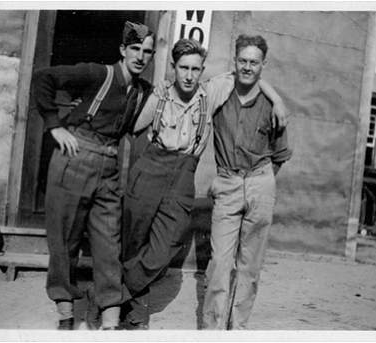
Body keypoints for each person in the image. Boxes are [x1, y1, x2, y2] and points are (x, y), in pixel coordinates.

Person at [120, 38, 287, 330]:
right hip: (151, 168)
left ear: (202, 71)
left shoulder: (210, 93)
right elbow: (133, 127)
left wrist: (278, 99)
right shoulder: (160, 95)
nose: (188, 74)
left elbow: (248, 75)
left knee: (168, 244)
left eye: (195, 69)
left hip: (187, 172)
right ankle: (136, 313)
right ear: (173, 68)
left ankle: (112, 291)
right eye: (183, 67)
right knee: (135, 239)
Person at [31, 21, 155, 330]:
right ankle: (65, 315)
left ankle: (110, 322)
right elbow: (43, 78)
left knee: (108, 245)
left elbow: (130, 129)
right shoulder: (98, 74)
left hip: (110, 168)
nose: (141, 56)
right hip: (75, 160)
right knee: (64, 242)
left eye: (148, 51)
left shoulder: (142, 92)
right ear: (123, 50)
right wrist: (54, 125)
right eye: (135, 49)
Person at [203, 34, 292, 330]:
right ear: (234, 61)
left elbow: (280, 154)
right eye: (242, 60)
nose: (247, 67)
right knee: (219, 264)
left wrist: (258, 183)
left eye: (254, 62)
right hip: (228, 181)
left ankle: (237, 329)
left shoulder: (272, 106)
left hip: (261, 182)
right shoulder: (219, 93)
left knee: (250, 266)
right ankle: (212, 329)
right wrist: (228, 181)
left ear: (263, 65)